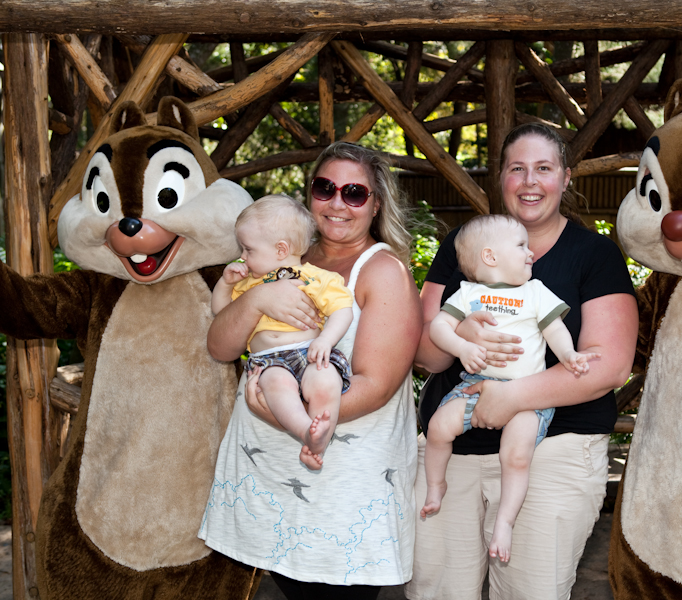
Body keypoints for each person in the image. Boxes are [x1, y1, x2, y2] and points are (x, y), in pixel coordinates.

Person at [407, 123, 638, 600]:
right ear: (501, 178)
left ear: (566, 178)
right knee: (436, 592)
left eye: (544, 169)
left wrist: (509, 397)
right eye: (517, 168)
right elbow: (427, 355)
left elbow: (611, 365)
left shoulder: (594, 254)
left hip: (552, 447)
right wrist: (460, 334)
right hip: (454, 448)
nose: (530, 181)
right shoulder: (463, 247)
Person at [199, 142, 422, 600]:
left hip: (341, 488)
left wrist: (288, 418)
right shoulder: (276, 262)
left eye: (354, 193)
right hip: (269, 476)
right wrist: (256, 299)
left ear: (376, 203)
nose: (337, 203)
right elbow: (221, 347)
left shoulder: (383, 271)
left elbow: (376, 387)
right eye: (325, 188)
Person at [422, 214, 599, 563]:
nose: (530, 252)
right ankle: (435, 485)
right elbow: (438, 328)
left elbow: (555, 331)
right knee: (438, 428)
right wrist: (463, 347)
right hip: (474, 386)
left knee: (516, 456)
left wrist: (569, 355)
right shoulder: (468, 293)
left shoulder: (535, 292)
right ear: (490, 257)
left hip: (526, 394)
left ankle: (505, 521)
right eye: (520, 246)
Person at [211, 194, 354, 470]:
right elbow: (221, 311)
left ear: (280, 250)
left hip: (311, 352)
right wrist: (226, 284)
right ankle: (306, 433)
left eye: (248, 249)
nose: (242, 256)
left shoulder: (317, 278)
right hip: (271, 361)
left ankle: (319, 441)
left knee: (325, 381)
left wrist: (326, 340)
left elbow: (342, 310)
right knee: (277, 385)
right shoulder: (249, 284)